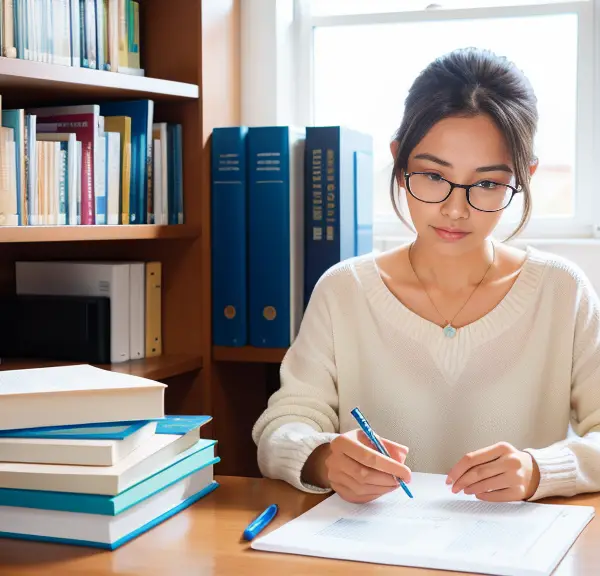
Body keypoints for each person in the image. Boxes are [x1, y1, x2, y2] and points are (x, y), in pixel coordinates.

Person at [251, 47, 600, 505]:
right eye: (433, 176)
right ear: (399, 162)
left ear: (525, 176)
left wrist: (539, 471)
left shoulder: (562, 290)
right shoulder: (344, 290)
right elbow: (281, 428)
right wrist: (323, 458)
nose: (455, 209)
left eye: (488, 183)